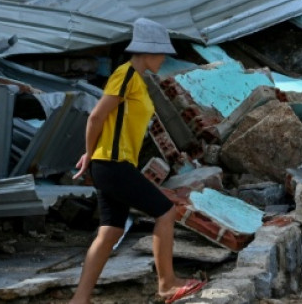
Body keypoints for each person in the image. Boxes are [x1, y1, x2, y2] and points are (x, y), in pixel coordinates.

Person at [70, 18, 205, 304]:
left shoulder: (138, 81)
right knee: (165, 212)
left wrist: (94, 153)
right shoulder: (126, 75)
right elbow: (96, 116)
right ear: (146, 51)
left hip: (113, 164)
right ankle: (167, 284)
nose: (164, 58)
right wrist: (89, 153)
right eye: (161, 52)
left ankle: (79, 300)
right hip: (112, 164)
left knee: (110, 231)